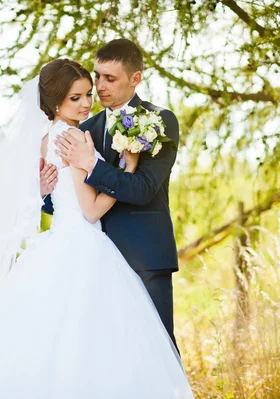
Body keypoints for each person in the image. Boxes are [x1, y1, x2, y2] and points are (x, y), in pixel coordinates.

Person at [0, 58, 194, 399]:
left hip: (60, 242)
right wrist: (129, 169)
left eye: (87, 95)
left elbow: (54, 195)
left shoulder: (47, 137)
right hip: (82, 245)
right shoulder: (73, 138)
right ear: (55, 103)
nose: (86, 104)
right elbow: (91, 210)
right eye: (75, 98)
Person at [43, 39, 181, 347]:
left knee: (157, 351)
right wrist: (46, 193)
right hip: (95, 259)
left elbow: (144, 189)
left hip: (144, 257)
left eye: (110, 78)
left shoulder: (159, 122)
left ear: (135, 79)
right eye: (98, 76)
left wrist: (91, 163)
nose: (100, 86)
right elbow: (72, 201)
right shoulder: (84, 127)